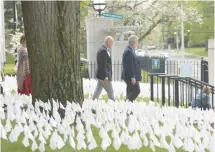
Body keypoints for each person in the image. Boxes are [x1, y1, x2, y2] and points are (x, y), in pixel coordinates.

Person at [92, 36, 115, 101]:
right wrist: (105, 76)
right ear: (107, 41)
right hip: (104, 76)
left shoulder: (104, 49)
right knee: (110, 92)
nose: (112, 44)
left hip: (101, 76)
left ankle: (92, 104)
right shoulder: (103, 51)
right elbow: (103, 64)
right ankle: (114, 107)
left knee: (98, 91)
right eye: (111, 42)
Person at [122, 35, 141, 102]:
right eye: (137, 42)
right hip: (130, 77)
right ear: (133, 42)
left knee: (130, 92)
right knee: (136, 90)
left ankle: (128, 109)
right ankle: (125, 103)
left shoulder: (130, 50)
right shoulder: (129, 51)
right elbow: (129, 66)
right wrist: (132, 77)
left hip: (130, 76)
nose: (137, 44)